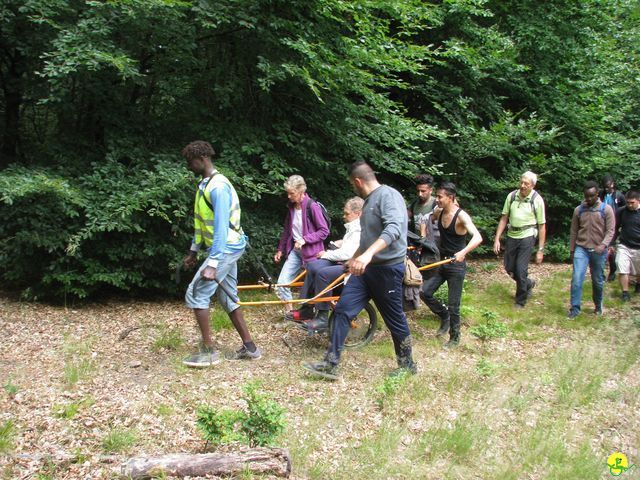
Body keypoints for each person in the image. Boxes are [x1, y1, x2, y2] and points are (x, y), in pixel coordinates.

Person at [303, 161, 415, 380]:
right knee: (343, 311)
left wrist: (367, 255)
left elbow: (394, 229)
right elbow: (367, 237)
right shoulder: (369, 201)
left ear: (357, 181)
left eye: (351, 185)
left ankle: (407, 365)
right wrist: (355, 257)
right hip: (365, 272)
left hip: (387, 270)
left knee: (394, 320)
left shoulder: (388, 196)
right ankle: (331, 363)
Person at [181, 141, 261, 367]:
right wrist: (193, 251)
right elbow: (201, 223)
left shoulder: (218, 187)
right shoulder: (204, 185)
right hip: (224, 247)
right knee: (227, 297)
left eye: (191, 161)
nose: (188, 166)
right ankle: (250, 347)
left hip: (226, 247)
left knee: (196, 294)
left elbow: (220, 228)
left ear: (203, 159)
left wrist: (212, 263)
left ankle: (208, 352)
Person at [420, 182, 483, 347]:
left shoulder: (462, 216)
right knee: (424, 292)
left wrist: (463, 252)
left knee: (454, 304)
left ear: (450, 198)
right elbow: (427, 219)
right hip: (441, 261)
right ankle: (444, 315)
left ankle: (454, 338)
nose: (437, 199)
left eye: (440, 197)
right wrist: (423, 238)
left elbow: (477, 237)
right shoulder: (438, 212)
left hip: (456, 265)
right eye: (438, 196)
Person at [300, 197, 364, 332]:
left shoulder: (358, 228)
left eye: (347, 213)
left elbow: (347, 254)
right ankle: (306, 308)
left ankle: (322, 317)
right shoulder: (353, 227)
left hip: (353, 268)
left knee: (323, 274)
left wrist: (326, 254)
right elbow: (346, 248)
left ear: (358, 213)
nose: (344, 216)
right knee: (312, 266)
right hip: (345, 262)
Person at [274, 175, 330, 319]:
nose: (288, 196)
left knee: (312, 288)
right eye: (288, 192)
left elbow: (324, 231)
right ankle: (291, 314)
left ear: (301, 191)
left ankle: (317, 314)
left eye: (291, 193)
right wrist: (280, 249)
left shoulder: (313, 207)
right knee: (282, 283)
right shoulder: (291, 208)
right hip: (296, 252)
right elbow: (287, 230)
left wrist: (305, 239)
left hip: (313, 254)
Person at [493, 171, 546, 308]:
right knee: (509, 267)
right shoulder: (511, 196)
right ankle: (528, 284)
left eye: (526, 184)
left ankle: (520, 300)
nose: (522, 186)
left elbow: (541, 226)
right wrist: (497, 238)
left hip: (527, 236)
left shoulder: (537, 200)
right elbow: (504, 218)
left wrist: (540, 250)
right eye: (521, 182)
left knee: (520, 269)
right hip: (512, 235)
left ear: (533, 185)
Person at [568, 181, 616, 318]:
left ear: (597, 194)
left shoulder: (606, 210)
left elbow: (610, 230)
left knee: (597, 280)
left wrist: (603, 245)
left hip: (598, 250)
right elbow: (573, 231)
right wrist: (572, 250)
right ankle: (575, 308)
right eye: (586, 196)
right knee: (577, 279)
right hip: (581, 248)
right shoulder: (579, 210)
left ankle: (598, 305)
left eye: (591, 196)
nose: (588, 199)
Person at [614, 190, 640, 302]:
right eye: (627, 202)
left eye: (632, 202)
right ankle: (625, 292)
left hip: (639, 247)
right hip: (624, 245)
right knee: (622, 267)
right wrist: (611, 243)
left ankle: (638, 285)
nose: (629, 205)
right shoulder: (621, 211)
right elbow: (615, 228)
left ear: (638, 201)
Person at [600, 174, 626, 282]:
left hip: (614, 225)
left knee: (610, 248)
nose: (607, 188)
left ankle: (612, 270)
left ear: (612, 184)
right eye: (605, 186)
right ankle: (600, 273)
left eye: (608, 186)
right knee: (600, 248)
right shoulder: (601, 194)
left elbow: (624, 209)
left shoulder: (619, 196)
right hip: (601, 224)